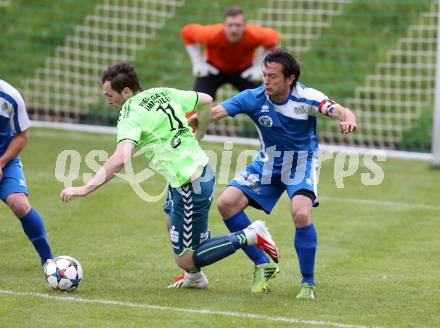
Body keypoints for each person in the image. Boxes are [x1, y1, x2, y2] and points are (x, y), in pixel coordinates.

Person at [59, 63, 279, 289]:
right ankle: (194, 277)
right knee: (170, 221)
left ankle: (251, 235)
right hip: (195, 173)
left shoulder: (130, 114)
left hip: (190, 185)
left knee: (185, 257)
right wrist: (200, 131)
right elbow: (205, 99)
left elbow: (119, 158)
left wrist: (84, 188)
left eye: (110, 95)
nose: (108, 100)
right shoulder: (160, 93)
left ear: (126, 92)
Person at [210, 48, 357, 297]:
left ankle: (307, 282)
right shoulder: (253, 97)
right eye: (265, 74)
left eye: (273, 76)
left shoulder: (307, 97)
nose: (266, 80)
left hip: (301, 163)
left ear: (290, 79)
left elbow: (340, 110)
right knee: (226, 204)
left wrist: (347, 119)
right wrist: (187, 123)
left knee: (300, 214)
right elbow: (214, 113)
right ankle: (262, 263)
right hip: (268, 162)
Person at [0, 79, 53, 266]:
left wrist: (1, 162)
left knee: (19, 204)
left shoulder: (10, 97)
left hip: (5, 159)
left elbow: (21, 136)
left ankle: (48, 261)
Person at [180, 6, 279, 100]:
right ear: (224, 26)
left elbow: (272, 38)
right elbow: (186, 32)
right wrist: (198, 62)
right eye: (230, 25)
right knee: (197, 101)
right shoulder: (211, 34)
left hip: (245, 71)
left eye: (238, 25)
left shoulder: (254, 34)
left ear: (245, 26)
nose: (234, 29)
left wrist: (260, 66)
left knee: (264, 101)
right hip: (213, 69)